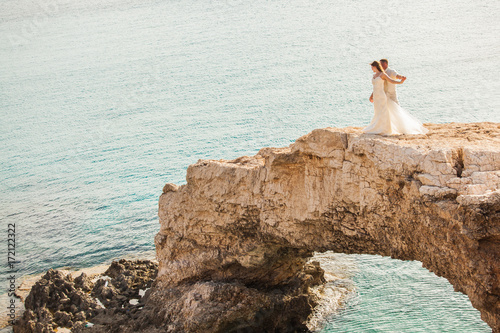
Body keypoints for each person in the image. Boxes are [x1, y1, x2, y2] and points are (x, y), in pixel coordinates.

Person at [363, 61, 428, 135]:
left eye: (372, 67)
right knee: (377, 112)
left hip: (381, 96)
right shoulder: (374, 75)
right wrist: (371, 96)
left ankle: (385, 128)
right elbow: (375, 87)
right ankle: (377, 126)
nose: (371, 69)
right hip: (376, 96)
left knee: (383, 112)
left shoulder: (383, 74)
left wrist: (400, 82)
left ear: (375, 66)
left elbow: (391, 81)